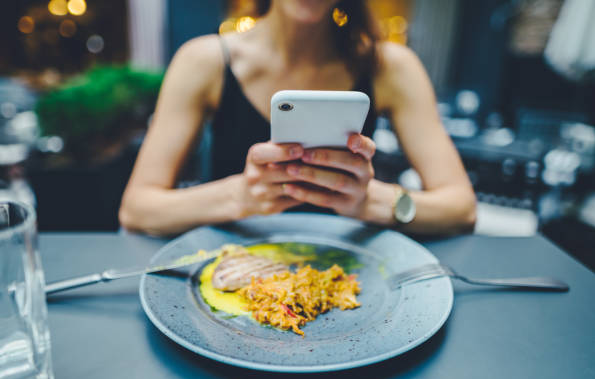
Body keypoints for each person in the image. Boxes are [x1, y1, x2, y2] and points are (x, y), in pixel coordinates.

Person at [119, 0, 476, 236]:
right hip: (234, 274)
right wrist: (239, 197)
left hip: (350, 278)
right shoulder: (203, 61)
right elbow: (137, 210)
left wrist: (375, 202)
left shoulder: (392, 67)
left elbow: (460, 208)